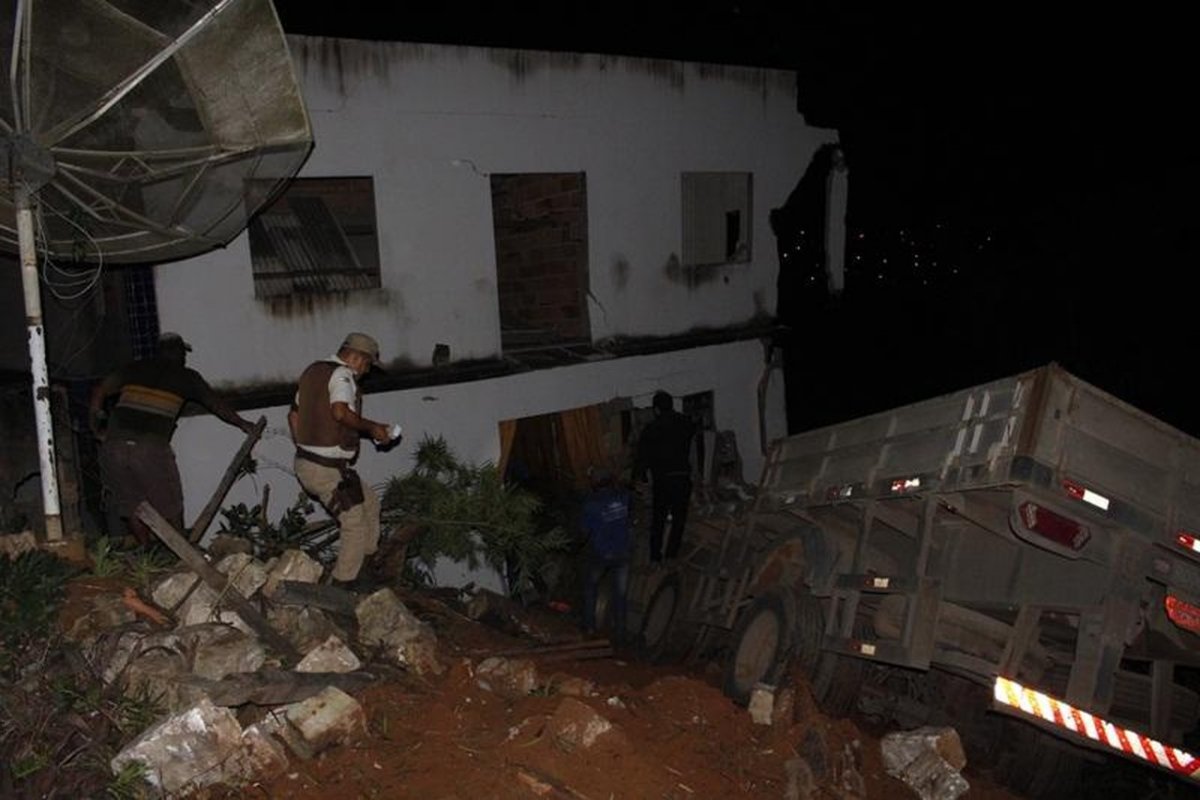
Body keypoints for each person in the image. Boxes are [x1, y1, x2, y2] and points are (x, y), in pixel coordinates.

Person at [89, 332, 257, 545]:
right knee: (170, 504)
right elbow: (216, 404)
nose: (185, 359)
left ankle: (146, 553)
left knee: (132, 503)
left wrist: (96, 428)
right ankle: (179, 554)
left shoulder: (135, 368)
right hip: (149, 448)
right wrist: (242, 423)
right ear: (178, 353)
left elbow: (98, 391)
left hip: (114, 446)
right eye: (183, 354)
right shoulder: (187, 377)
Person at [288, 332, 398, 589]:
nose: (366, 371)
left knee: (369, 501)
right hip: (324, 471)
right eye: (368, 365)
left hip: (316, 465)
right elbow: (340, 412)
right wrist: (373, 428)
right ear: (358, 358)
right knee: (353, 523)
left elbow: (293, 416)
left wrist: (304, 446)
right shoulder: (342, 375)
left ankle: (365, 565)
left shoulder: (313, 372)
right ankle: (343, 584)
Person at [633, 390, 696, 562]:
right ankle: (671, 555)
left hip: (663, 479)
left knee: (659, 519)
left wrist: (639, 477)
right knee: (679, 519)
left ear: (656, 409)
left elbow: (642, 456)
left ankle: (655, 557)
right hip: (682, 477)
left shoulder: (651, 429)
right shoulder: (685, 423)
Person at [580, 467, 632, 641]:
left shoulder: (591, 504)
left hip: (601, 554)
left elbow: (584, 532)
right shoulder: (624, 498)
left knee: (590, 588)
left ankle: (589, 627)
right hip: (622, 552)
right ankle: (621, 632)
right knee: (621, 594)